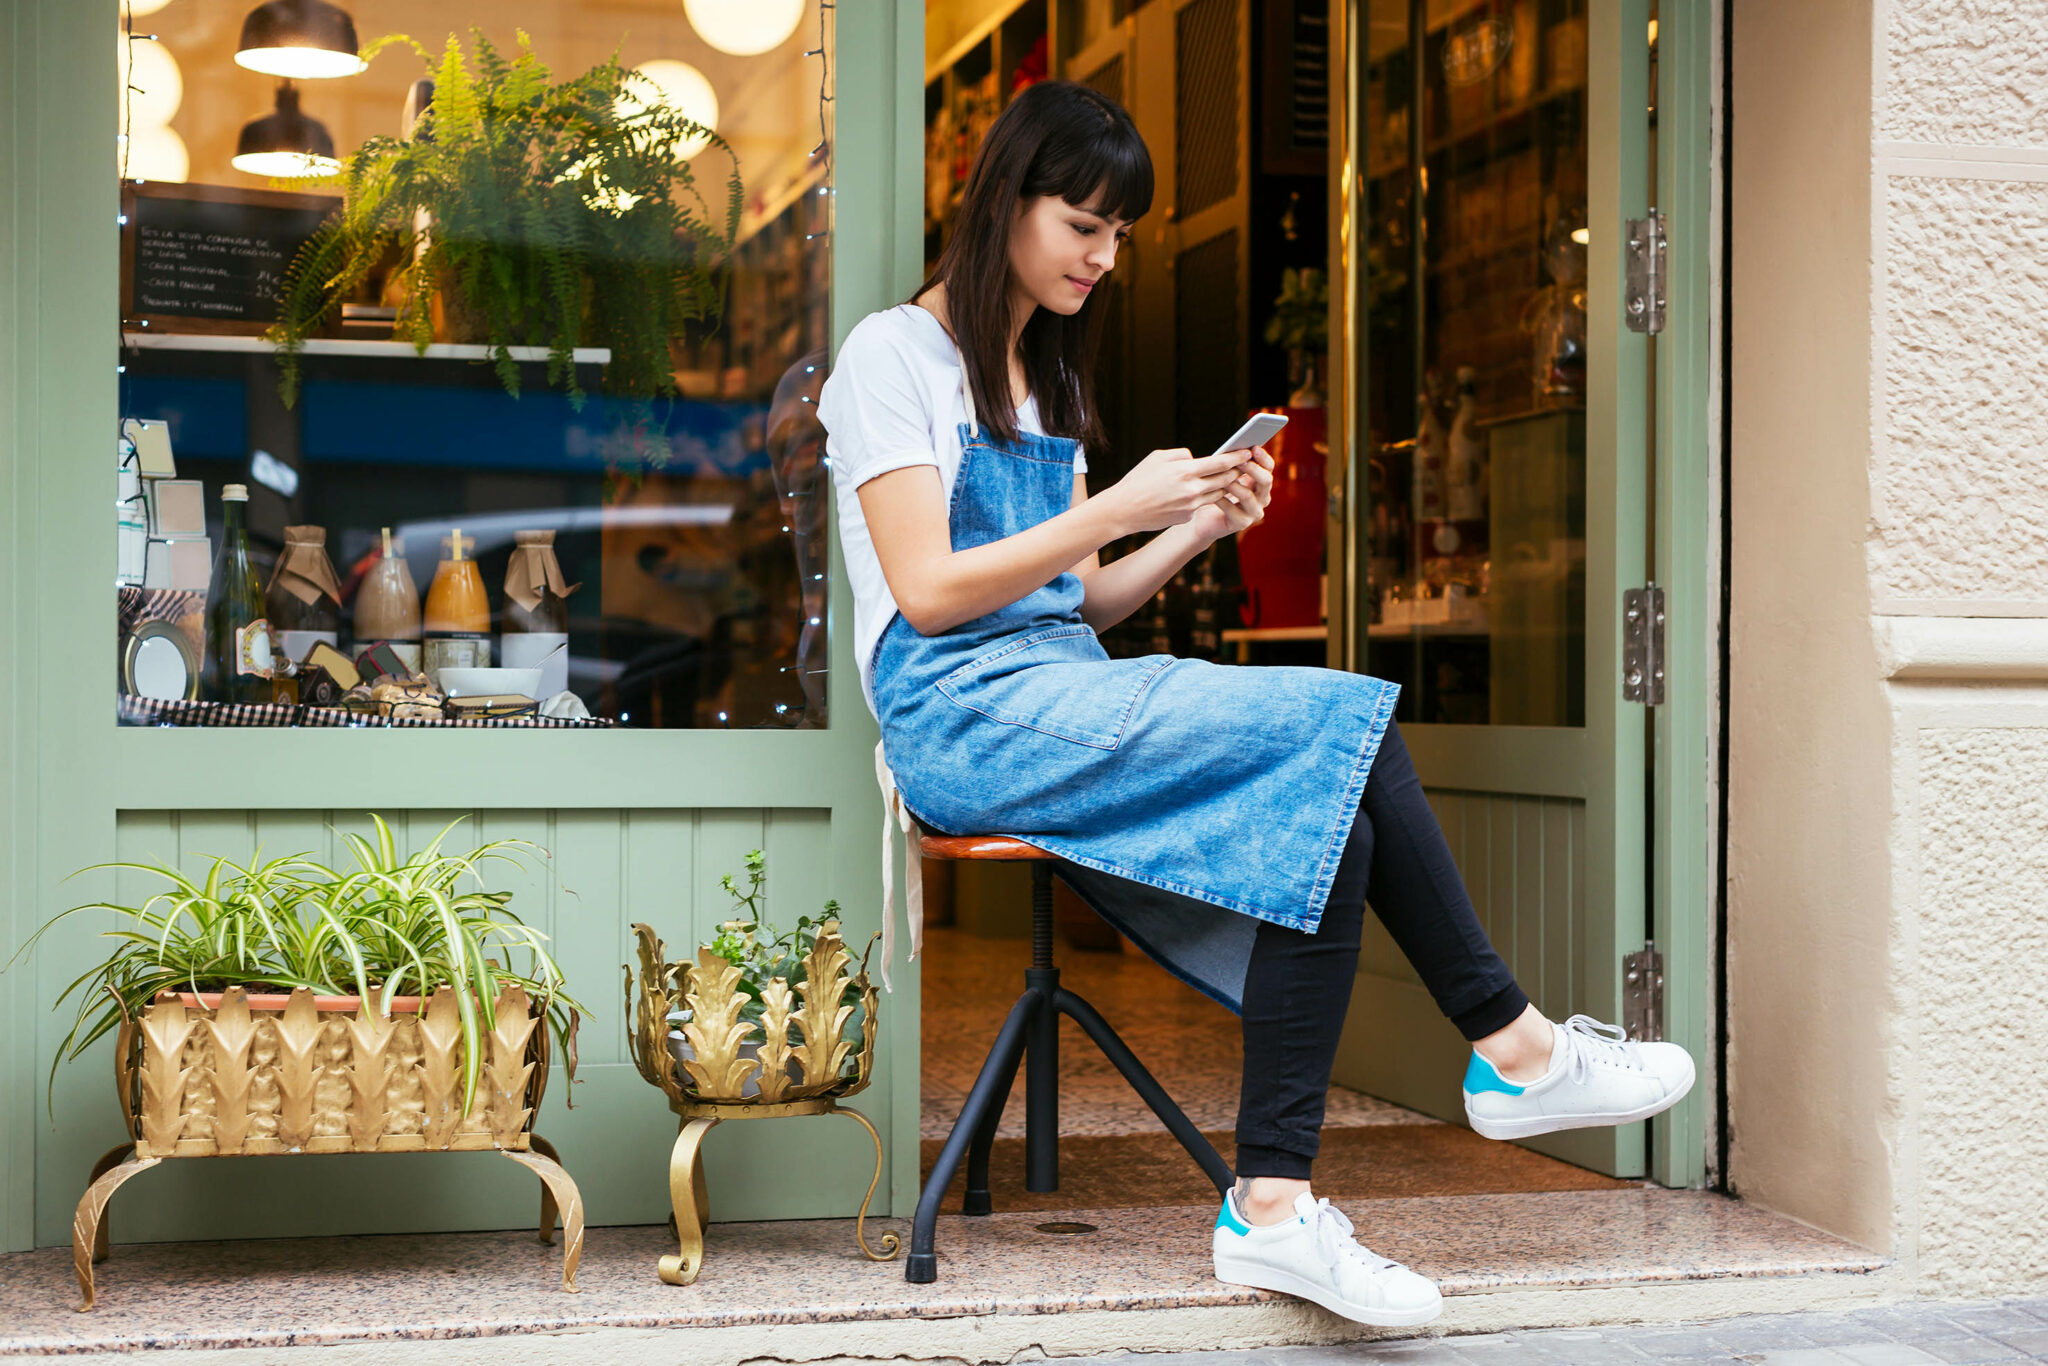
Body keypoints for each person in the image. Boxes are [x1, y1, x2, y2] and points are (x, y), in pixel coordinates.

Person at [816, 80, 1694, 1328]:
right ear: (1005, 201)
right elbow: (928, 589)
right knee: (1339, 721)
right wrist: (1116, 502)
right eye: (1082, 225)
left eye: (1119, 235)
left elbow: (1080, 605)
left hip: (1059, 686)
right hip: (953, 713)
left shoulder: (1040, 377)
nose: (1102, 258)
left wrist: (1191, 528)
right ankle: (1513, 1050)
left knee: (1325, 808)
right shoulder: (888, 355)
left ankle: (1272, 1207)